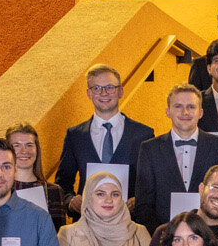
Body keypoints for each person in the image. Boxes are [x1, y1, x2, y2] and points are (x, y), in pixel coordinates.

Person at [131, 84, 218, 231]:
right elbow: (144, 203)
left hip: (211, 236)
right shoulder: (149, 149)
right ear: (168, 112)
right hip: (163, 238)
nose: (185, 112)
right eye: (178, 106)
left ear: (200, 112)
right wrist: (164, 236)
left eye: (191, 107)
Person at [57, 64, 156, 215]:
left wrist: (139, 201)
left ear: (120, 91)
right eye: (96, 88)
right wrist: (70, 201)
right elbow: (63, 182)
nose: (103, 93)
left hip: (128, 225)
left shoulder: (143, 134)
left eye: (110, 87)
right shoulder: (75, 135)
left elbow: (152, 183)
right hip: (86, 225)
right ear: (89, 93)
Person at [6, 123, 66, 229]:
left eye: (29, 145)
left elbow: (58, 237)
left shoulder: (53, 191)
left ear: (37, 149)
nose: (24, 151)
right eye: (17, 145)